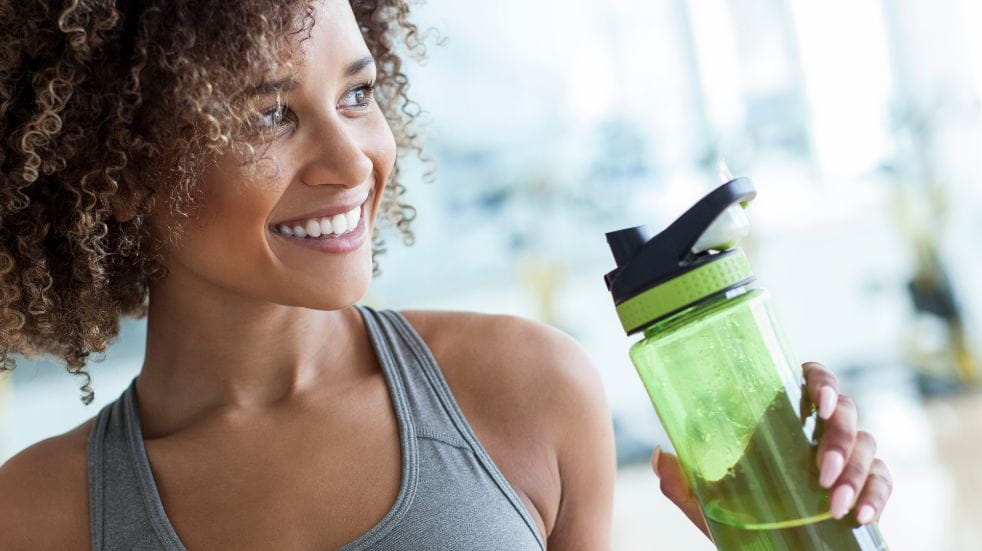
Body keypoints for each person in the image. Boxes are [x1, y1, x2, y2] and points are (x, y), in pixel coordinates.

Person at [0, 1, 891, 549]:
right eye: (271, 114)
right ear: (115, 172)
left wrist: (792, 536)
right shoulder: (36, 516)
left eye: (357, 93)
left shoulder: (522, 391)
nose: (351, 162)